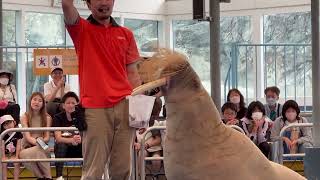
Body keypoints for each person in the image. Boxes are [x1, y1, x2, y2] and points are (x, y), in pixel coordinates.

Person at [62, 0, 141, 179]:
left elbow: (133, 73)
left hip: (125, 104)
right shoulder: (81, 29)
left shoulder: (126, 34)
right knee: (93, 170)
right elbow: (67, 5)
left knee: (122, 168)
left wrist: (139, 106)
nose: (104, 3)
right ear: (88, 4)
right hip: (94, 108)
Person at [19, 92, 52, 180]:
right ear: (30, 101)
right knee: (33, 152)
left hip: (43, 146)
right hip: (27, 147)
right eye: (35, 99)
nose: (37, 102)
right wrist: (38, 142)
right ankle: (46, 178)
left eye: (40, 101)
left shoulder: (47, 118)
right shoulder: (24, 116)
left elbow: (47, 138)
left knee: (40, 150)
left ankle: (43, 178)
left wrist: (40, 142)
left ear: (43, 104)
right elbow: (28, 137)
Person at [53, 92, 82, 180]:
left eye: (73, 103)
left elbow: (86, 135)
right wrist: (71, 140)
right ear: (63, 105)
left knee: (88, 144)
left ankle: (87, 175)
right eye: (68, 103)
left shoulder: (82, 117)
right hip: (64, 149)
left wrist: (81, 140)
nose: (71, 105)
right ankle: (59, 177)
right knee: (60, 145)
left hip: (79, 147)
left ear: (77, 105)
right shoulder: (58, 117)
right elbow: (58, 138)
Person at [1, 115, 22, 180]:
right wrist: (3, 157)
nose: (8, 125)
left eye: (10, 122)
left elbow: (18, 145)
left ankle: (16, 178)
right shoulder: (3, 134)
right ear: (3, 127)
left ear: (14, 122)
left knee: (16, 163)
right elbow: (2, 146)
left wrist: (16, 156)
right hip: (5, 154)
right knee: (3, 164)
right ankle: (4, 179)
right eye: (5, 124)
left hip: (14, 153)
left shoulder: (18, 133)